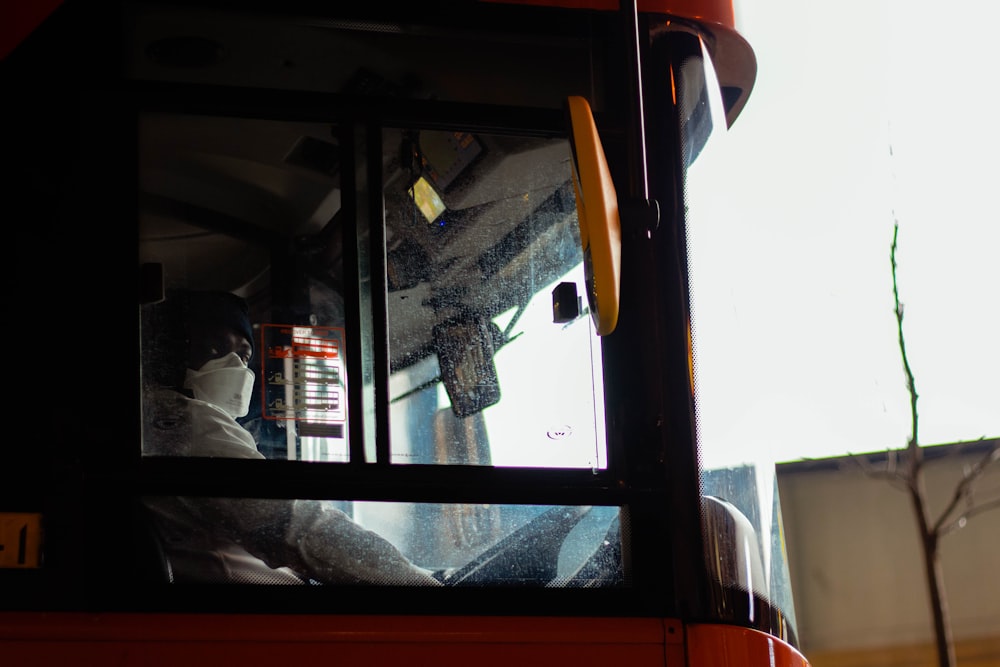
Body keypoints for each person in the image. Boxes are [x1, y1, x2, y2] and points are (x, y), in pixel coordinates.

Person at [141, 289, 440, 585]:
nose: (234, 367)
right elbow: (293, 524)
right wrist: (415, 582)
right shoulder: (186, 421)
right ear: (173, 352)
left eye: (243, 357)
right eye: (215, 350)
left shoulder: (164, 418)